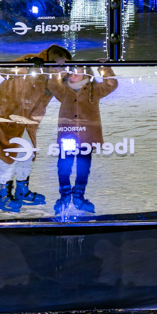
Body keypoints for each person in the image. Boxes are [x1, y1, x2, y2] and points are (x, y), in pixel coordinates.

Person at [0, 44, 77, 213]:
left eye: (64, 65)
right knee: (10, 153)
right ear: (51, 60)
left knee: (27, 153)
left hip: (26, 120)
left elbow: (66, 96)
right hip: (5, 114)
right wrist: (26, 65)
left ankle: (22, 191)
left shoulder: (56, 76)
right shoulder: (32, 61)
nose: (62, 68)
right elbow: (5, 71)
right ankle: (3, 195)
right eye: (59, 64)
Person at [52, 63, 119, 219]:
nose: (73, 75)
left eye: (77, 72)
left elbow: (111, 83)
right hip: (67, 135)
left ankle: (79, 196)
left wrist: (103, 67)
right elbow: (52, 84)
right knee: (64, 167)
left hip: (86, 136)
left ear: (86, 74)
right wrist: (59, 73)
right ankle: (65, 196)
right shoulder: (64, 90)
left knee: (83, 168)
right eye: (71, 72)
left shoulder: (94, 90)